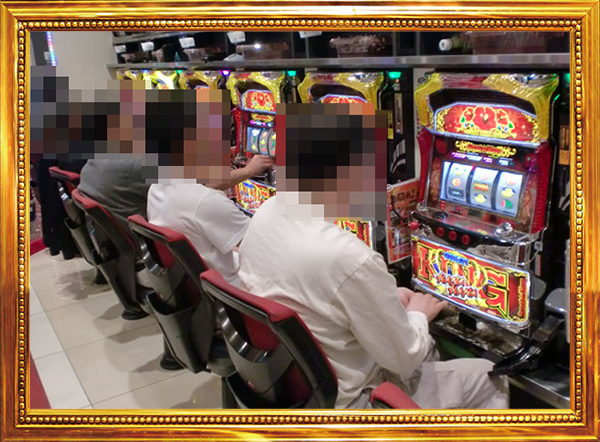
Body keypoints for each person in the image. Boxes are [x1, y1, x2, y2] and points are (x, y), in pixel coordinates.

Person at [237, 102, 510, 409]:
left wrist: (384, 296)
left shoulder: (266, 213)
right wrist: (418, 314)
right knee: (488, 374)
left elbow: (318, 292)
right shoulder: (348, 257)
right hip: (352, 400)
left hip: (291, 380)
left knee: (427, 348)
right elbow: (405, 358)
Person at [146, 88, 274, 287]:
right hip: (230, 288)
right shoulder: (205, 201)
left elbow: (206, 184)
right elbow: (263, 247)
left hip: (195, 279)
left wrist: (246, 169)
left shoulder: (158, 186)